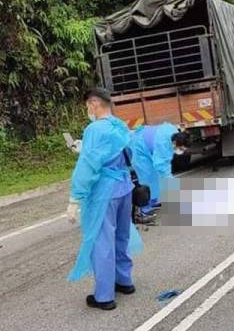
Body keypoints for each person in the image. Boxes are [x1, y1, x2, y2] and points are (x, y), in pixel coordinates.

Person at [66, 89, 143, 311]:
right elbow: (127, 154)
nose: (88, 110)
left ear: (94, 103)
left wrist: (75, 197)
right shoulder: (119, 126)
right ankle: (124, 281)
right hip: (124, 187)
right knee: (121, 236)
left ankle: (104, 296)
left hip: (104, 192)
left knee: (102, 242)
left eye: (88, 106)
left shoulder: (94, 129)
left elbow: (88, 164)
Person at [129, 123, 190, 220]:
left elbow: (166, 162)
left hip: (148, 144)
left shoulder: (173, 133)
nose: (181, 151)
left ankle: (153, 201)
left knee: (154, 175)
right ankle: (143, 208)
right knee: (145, 177)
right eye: (181, 148)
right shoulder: (163, 144)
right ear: (175, 143)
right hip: (139, 147)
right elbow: (162, 167)